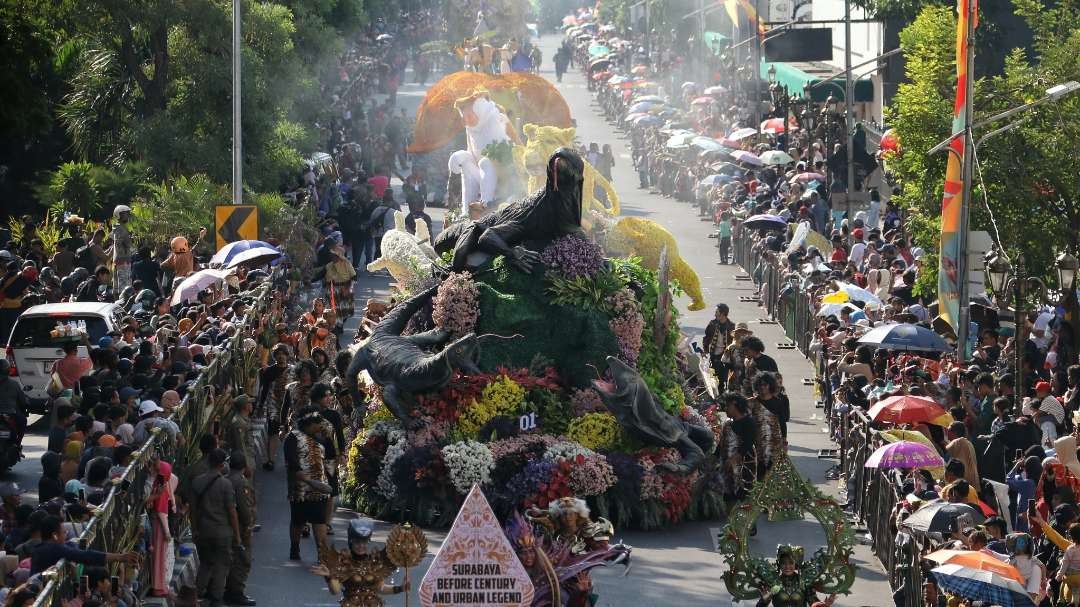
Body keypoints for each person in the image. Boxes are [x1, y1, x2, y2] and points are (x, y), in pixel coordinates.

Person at [309, 518, 407, 607]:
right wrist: (329, 576)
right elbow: (335, 591)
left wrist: (401, 588)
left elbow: (380, 588)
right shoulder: (343, 562)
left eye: (364, 542)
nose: (361, 546)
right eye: (357, 542)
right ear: (351, 542)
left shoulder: (374, 561)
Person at [190, 448, 241, 607]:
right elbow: (232, 512)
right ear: (222, 464)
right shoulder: (226, 484)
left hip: (203, 530)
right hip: (222, 532)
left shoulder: (197, 482)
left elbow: (193, 510)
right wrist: (237, 535)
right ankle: (216, 598)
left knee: (206, 563)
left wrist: (195, 529)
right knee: (222, 565)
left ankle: (196, 595)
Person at [284, 408, 332, 561]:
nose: (320, 427)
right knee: (298, 520)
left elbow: (329, 455)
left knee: (319, 520)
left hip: (320, 486)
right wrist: (300, 474)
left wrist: (328, 437)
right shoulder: (292, 437)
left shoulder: (320, 438)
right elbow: (291, 458)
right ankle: (294, 547)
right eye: (318, 425)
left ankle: (321, 553)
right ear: (309, 424)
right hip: (300, 489)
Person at [30, 514, 139, 573]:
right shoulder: (53, 549)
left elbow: (71, 547)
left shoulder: (42, 548)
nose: (66, 534)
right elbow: (84, 556)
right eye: (64, 532)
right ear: (54, 535)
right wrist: (119, 557)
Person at [225, 451, 257, 607]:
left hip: (226, 526)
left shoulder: (225, 480)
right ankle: (237, 592)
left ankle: (228, 590)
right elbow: (244, 508)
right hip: (240, 526)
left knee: (231, 559)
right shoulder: (241, 482)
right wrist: (249, 524)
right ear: (244, 467)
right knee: (243, 560)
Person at [149, 460, 178, 598]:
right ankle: (159, 587)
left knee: (159, 555)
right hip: (160, 526)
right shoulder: (161, 490)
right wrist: (167, 532)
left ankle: (159, 585)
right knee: (160, 555)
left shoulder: (157, 486)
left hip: (156, 524)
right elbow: (162, 513)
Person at [704, 304, 735, 391]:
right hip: (713, 354)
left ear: (723, 314)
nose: (715, 314)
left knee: (722, 378)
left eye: (717, 312)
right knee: (712, 376)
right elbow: (706, 338)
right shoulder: (712, 324)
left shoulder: (732, 327)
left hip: (725, 355)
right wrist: (705, 350)